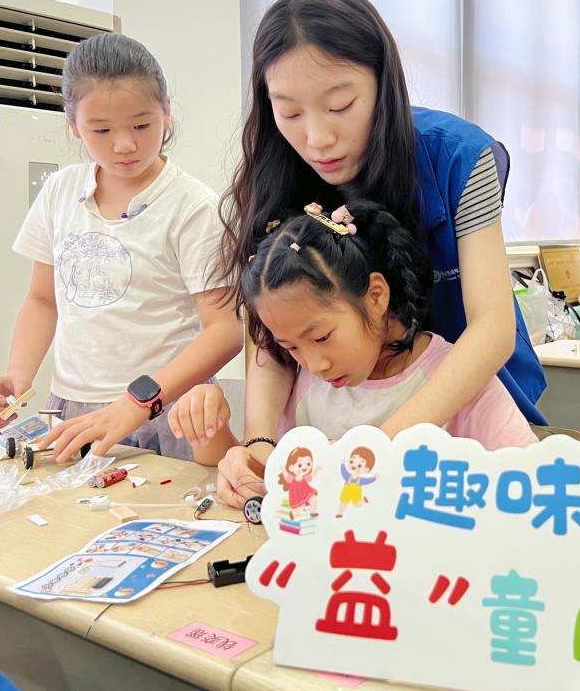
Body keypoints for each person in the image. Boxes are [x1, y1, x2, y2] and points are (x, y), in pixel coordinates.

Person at [187, 0, 544, 466]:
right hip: (350, 419)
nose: (317, 139)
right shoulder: (278, 175)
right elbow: (278, 329)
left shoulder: (462, 156)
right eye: (289, 112)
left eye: (340, 106)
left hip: (470, 412)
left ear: (384, 82)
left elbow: (492, 329)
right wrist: (259, 445)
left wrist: (374, 451)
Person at [0, 33, 242, 465]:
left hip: (165, 408)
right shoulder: (60, 191)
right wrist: (18, 377)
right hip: (73, 407)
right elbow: (43, 300)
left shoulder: (193, 207)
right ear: (73, 125)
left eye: (142, 125)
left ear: (167, 112)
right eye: (101, 130)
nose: (124, 145)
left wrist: (138, 402)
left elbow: (225, 330)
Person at [168, 200, 536, 507]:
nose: (314, 364)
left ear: (376, 297)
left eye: (322, 337)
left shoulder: (459, 378)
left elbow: (534, 489)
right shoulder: (302, 381)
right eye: (290, 347)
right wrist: (212, 431)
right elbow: (269, 483)